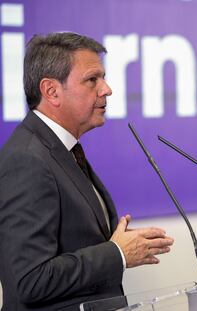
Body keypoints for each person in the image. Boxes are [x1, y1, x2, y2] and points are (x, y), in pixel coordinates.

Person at [0, 32, 174, 311]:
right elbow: (30, 280)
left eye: (102, 78)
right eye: (92, 79)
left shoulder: (61, 149)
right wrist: (116, 253)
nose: (106, 89)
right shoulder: (27, 159)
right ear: (52, 91)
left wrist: (120, 243)